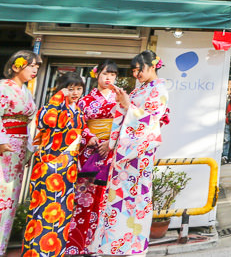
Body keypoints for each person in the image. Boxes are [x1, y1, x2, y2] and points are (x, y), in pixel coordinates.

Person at [91, 50, 171, 256]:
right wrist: (123, 103)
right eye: (134, 70)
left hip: (138, 152)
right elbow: (124, 111)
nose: (136, 74)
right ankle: (112, 243)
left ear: (153, 66)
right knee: (117, 196)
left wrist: (128, 106)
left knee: (135, 197)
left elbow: (151, 121)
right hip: (124, 150)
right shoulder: (141, 90)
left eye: (139, 69)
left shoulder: (159, 89)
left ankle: (131, 244)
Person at [23, 71, 86, 257]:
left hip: (69, 165)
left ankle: (55, 251)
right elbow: (46, 121)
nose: (75, 93)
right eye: (71, 89)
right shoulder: (52, 106)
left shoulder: (77, 109)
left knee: (63, 209)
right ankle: (36, 252)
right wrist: (59, 98)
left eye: (79, 88)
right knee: (45, 207)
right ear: (61, 89)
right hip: (51, 163)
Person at [66, 61, 120, 255]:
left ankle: (99, 245)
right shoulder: (85, 100)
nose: (109, 78)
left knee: (106, 197)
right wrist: (90, 137)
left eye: (113, 75)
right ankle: (77, 243)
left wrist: (111, 142)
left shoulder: (120, 99)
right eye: (105, 74)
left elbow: (126, 122)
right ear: (96, 75)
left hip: (111, 151)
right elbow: (78, 123)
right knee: (83, 197)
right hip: (90, 150)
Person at [0, 50, 41, 253]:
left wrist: (29, 148)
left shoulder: (26, 91)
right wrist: (2, 141)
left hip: (18, 147)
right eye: (31, 66)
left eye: (37, 67)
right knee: (2, 195)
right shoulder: (3, 87)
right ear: (17, 66)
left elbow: (27, 123)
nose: (34, 70)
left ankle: (2, 246)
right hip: (4, 147)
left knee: (11, 199)